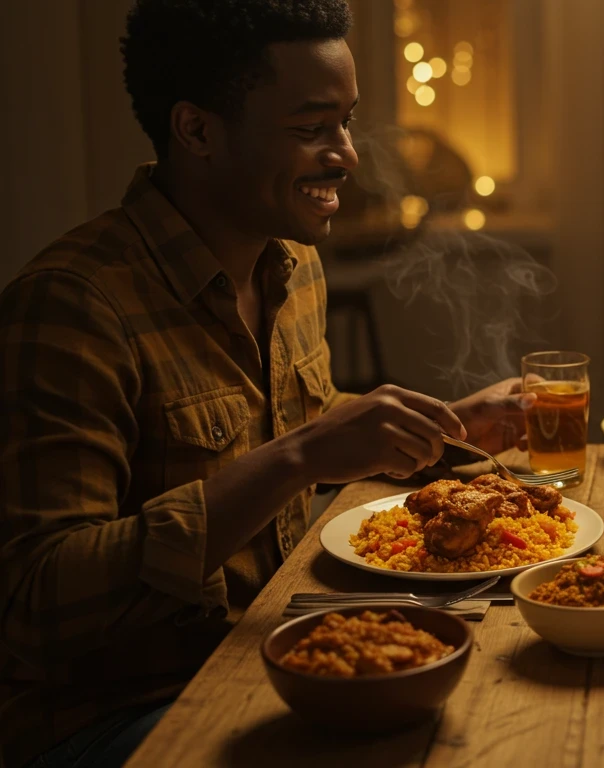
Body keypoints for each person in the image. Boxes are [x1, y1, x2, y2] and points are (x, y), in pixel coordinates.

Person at [0, 2, 532, 765]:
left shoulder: (293, 266)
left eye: (347, 122)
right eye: (311, 127)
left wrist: (444, 426)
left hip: (269, 652)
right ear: (198, 131)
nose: (346, 155)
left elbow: (291, 424)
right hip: (116, 713)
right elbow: (37, 605)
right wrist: (298, 458)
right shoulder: (70, 308)